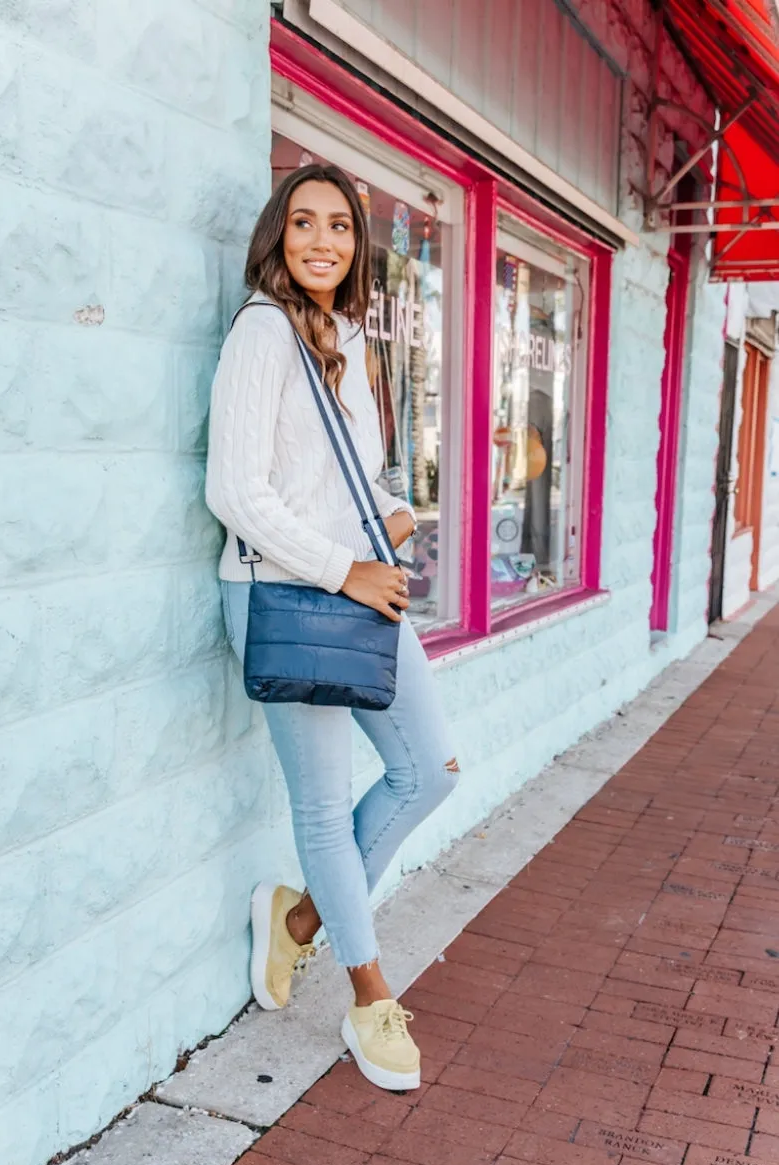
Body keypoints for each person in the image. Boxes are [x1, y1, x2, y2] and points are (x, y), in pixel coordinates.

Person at [205, 163, 459, 1092]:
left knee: (429, 772)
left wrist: (390, 513)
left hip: (360, 587)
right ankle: (367, 996)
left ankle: (302, 920)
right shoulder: (262, 332)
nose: (323, 241)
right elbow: (235, 493)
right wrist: (343, 566)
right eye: (304, 223)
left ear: (358, 245)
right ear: (279, 234)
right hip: (286, 592)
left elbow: (336, 475)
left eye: (341, 227)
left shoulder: (344, 335)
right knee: (321, 803)